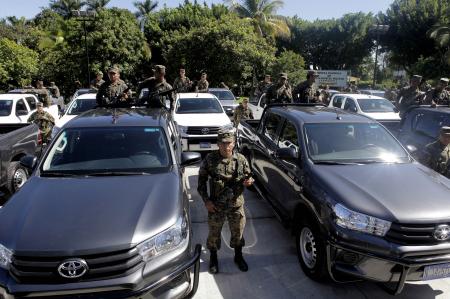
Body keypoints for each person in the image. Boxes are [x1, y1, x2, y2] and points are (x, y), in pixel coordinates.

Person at [197, 126, 254, 274]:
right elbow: (201, 183)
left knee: (238, 233)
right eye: (223, 143)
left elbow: (248, 176)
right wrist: (206, 201)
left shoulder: (241, 160)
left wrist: (249, 182)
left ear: (234, 143)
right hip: (216, 206)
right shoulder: (210, 160)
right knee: (214, 234)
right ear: (218, 143)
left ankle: (238, 256)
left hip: (236, 205)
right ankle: (214, 258)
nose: (226, 146)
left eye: (229, 142)